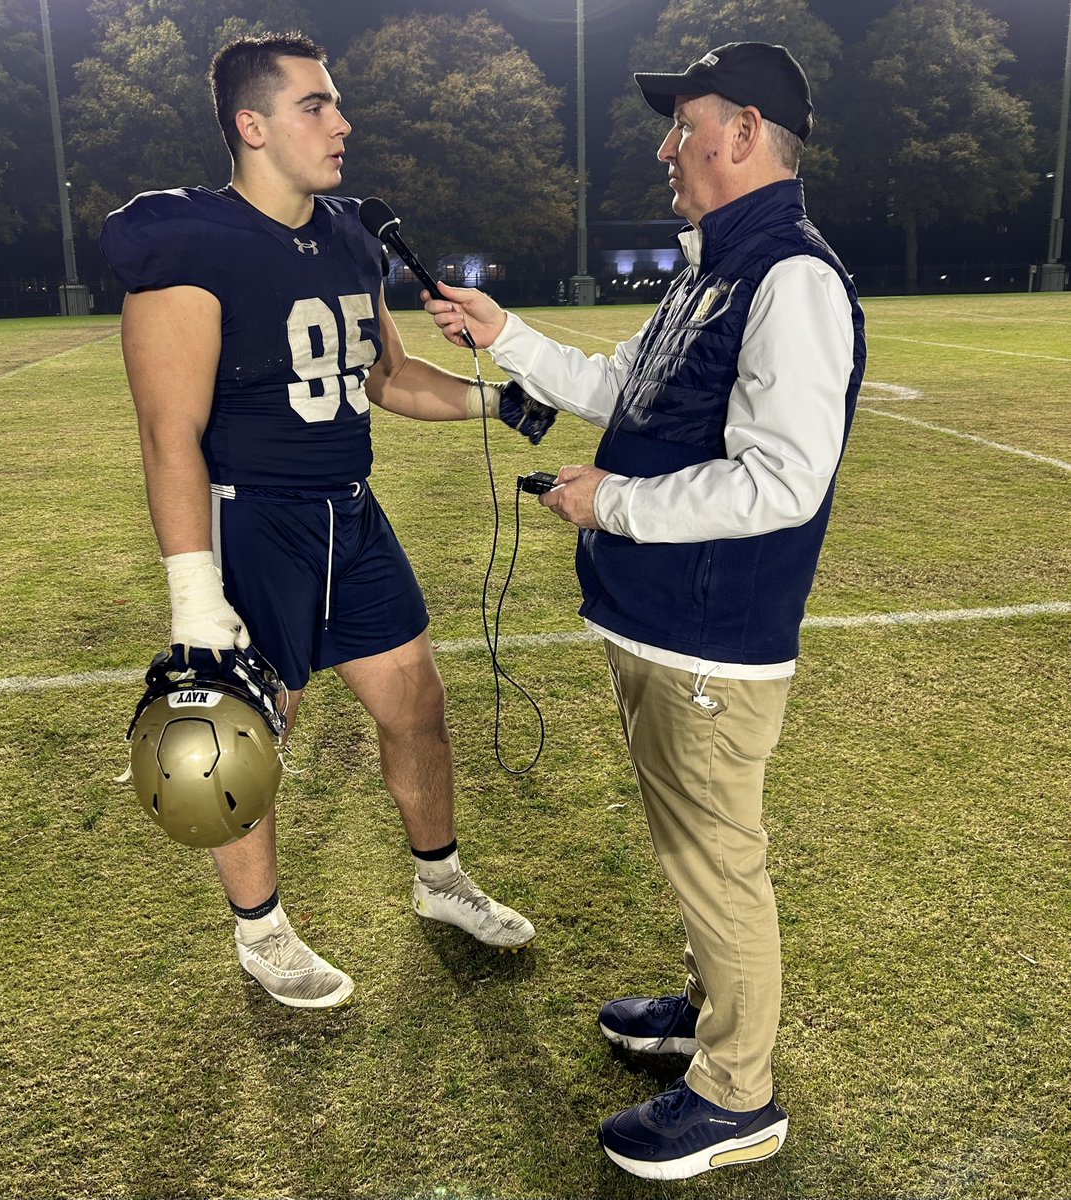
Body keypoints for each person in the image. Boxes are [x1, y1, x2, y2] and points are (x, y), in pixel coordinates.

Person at [425, 41, 866, 1181]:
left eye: (684, 124)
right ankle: (710, 1010)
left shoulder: (790, 278)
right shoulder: (716, 266)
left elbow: (783, 481)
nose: (666, 147)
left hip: (711, 639)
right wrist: (504, 335)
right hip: (664, 622)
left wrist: (610, 502)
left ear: (744, 133)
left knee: (718, 863)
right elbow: (627, 388)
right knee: (692, 852)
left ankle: (735, 1095)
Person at [100, 32, 554, 1011]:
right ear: (252, 125)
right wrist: (193, 593)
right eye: (315, 105)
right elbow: (168, 434)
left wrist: (496, 400)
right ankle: (261, 932)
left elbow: (387, 377)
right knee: (247, 736)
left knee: (417, 706)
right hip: (254, 520)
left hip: (353, 509)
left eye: (336, 103)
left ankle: (439, 880)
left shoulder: (349, 235)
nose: (341, 122)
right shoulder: (193, 241)